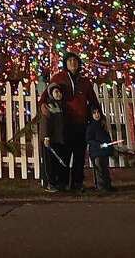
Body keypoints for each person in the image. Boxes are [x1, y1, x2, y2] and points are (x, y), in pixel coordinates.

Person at [46, 51, 98, 191]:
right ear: (65, 64)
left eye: (75, 61)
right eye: (69, 61)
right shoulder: (59, 78)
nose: (72, 63)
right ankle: (62, 182)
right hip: (65, 123)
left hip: (81, 123)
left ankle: (77, 182)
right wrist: (44, 107)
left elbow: (92, 100)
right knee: (65, 154)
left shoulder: (85, 82)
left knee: (79, 155)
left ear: (79, 63)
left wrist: (96, 111)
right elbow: (48, 95)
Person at [37, 83, 69, 191]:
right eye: (56, 92)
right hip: (49, 140)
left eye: (59, 92)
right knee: (49, 162)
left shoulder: (60, 106)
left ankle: (59, 182)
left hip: (58, 139)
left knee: (56, 162)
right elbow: (45, 122)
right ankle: (50, 183)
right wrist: (46, 136)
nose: (58, 94)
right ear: (51, 94)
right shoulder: (48, 106)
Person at [85, 107, 116, 192]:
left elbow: (107, 138)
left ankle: (107, 185)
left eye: (98, 113)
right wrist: (99, 145)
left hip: (104, 152)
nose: (97, 115)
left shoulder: (103, 125)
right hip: (96, 152)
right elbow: (89, 139)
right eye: (94, 113)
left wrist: (110, 148)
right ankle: (100, 187)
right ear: (91, 115)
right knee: (99, 169)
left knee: (105, 169)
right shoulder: (91, 126)